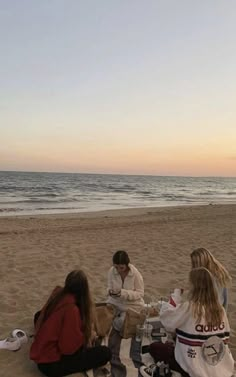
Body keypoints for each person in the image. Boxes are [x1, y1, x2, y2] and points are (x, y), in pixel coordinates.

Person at [140, 267, 234, 377]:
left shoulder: (191, 308)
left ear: (195, 287)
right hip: (219, 366)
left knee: (153, 348)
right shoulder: (220, 310)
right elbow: (224, 338)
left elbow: (167, 320)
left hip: (193, 366)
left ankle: (157, 371)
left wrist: (176, 295)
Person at [30, 270, 111, 377]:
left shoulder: (58, 293)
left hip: (42, 352)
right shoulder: (71, 310)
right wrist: (86, 337)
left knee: (38, 314)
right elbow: (67, 349)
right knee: (105, 353)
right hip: (51, 364)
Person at [107, 250, 144, 331]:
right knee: (104, 317)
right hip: (115, 303)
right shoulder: (111, 271)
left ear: (127, 265)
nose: (119, 270)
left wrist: (124, 293)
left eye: (121, 267)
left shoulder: (135, 274)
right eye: (116, 267)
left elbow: (140, 293)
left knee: (122, 322)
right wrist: (110, 292)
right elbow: (109, 287)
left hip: (131, 305)